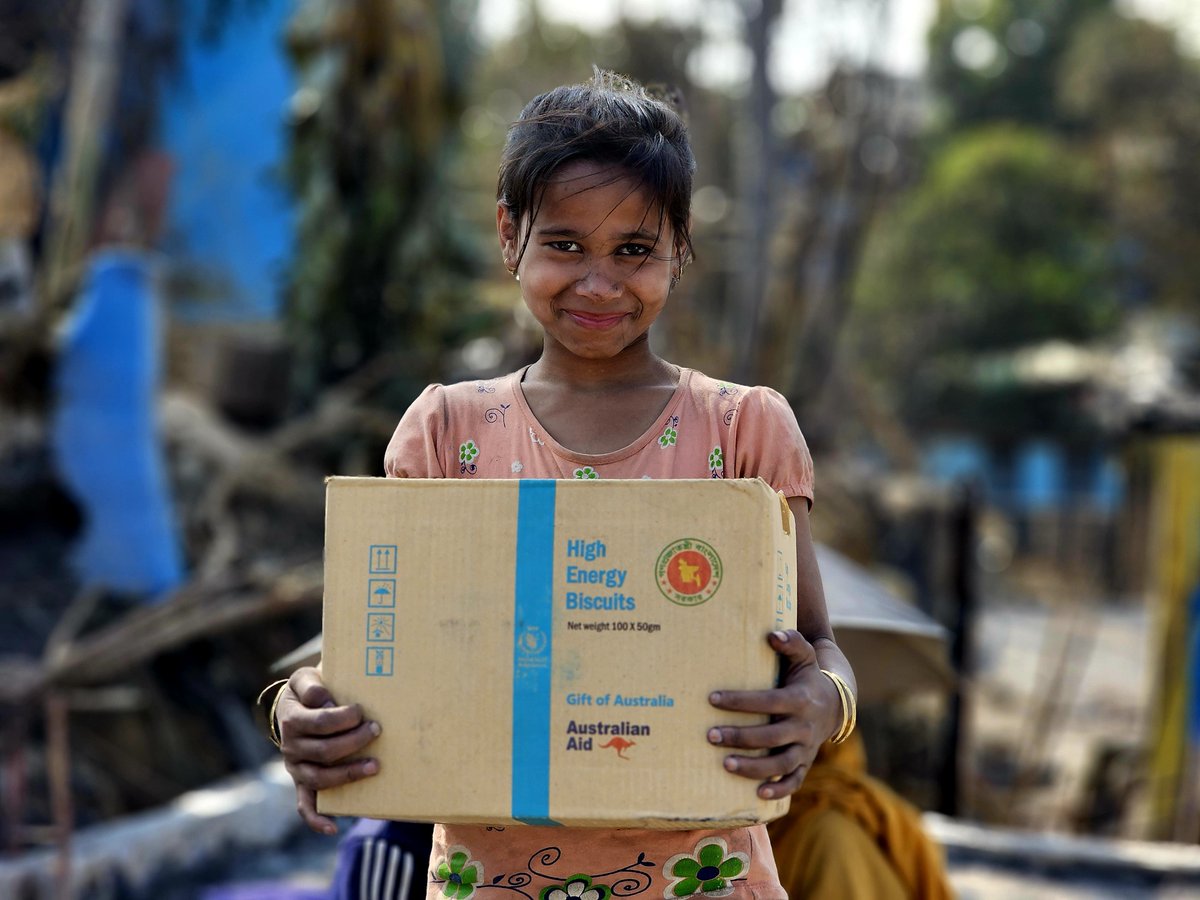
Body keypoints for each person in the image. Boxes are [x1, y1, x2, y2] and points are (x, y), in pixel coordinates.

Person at [273, 69, 857, 900]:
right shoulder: (447, 431)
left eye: (635, 251)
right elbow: (388, 654)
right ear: (510, 234)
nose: (598, 283)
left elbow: (820, 644)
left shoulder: (743, 429)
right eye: (565, 244)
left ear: (679, 249)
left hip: (704, 881)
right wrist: (299, 709)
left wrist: (821, 707)